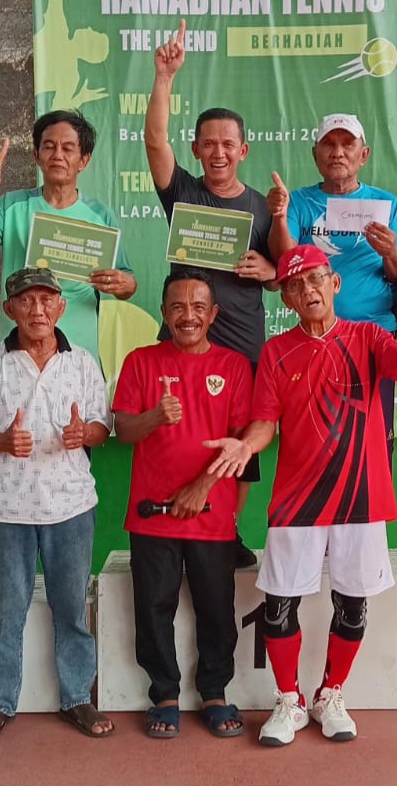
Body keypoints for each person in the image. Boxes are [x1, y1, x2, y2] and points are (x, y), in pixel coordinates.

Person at [204, 245, 397, 747]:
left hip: (359, 495)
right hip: (296, 499)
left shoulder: (369, 337)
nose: (308, 290)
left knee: (352, 605)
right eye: (296, 285)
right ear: (286, 298)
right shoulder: (276, 352)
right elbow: (265, 423)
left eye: (316, 279)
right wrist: (245, 445)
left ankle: (330, 694)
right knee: (279, 606)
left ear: (334, 283)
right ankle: (289, 700)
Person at [0, 109, 136, 597]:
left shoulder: (100, 217)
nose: (58, 154)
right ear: (36, 154)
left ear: (84, 159)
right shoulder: (14, 206)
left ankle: (69, 573)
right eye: (49, 146)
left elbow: (128, 281)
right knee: (7, 454)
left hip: (74, 362)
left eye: (69, 147)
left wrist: (121, 282)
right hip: (15, 360)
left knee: (70, 456)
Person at [0, 267, 113, 742]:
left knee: (72, 609)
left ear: (61, 307)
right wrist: (2, 441)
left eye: (46, 300)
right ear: (10, 309)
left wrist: (84, 434)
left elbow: (102, 426)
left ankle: (77, 697)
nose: (37, 309)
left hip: (71, 507)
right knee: (6, 611)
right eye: (26, 300)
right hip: (7, 509)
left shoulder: (82, 362)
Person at [145, 19, 277, 568]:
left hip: (242, 337)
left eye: (228, 144)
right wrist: (164, 77)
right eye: (209, 144)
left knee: (241, 436)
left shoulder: (263, 208)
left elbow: (286, 273)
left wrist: (269, 271)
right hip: (182, 334)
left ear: (242, 149)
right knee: (174, 427)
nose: (218, 152)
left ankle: (227, 529)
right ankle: (169, 522)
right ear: (196, 149)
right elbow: (155, 140)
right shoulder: (183, 191)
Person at [112, 269, 252, 739]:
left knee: (217, 608)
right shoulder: (140, 362)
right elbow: (123, 430)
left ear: (213, 314)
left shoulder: (235, 366)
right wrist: (154, 416)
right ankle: (165, 696)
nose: (187, 316)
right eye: (177, 307)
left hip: (213, 516)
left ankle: (215, 692)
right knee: (153, 608)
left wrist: (202, 488)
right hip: (151, 514)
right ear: (163, 313)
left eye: (197, 307)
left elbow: (241, 442)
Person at [267, 114, 397, 461]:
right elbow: (286, 259)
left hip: (375, 341)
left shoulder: (387, 204)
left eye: (348, 144)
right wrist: (279, 216)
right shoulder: (299, 202)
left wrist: (391, 251)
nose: (338, 152)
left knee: (374, 447)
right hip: (318, 342)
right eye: (328, 144)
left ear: (364, 155)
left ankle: (373, 499)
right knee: (320, 445)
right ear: (314, 154)